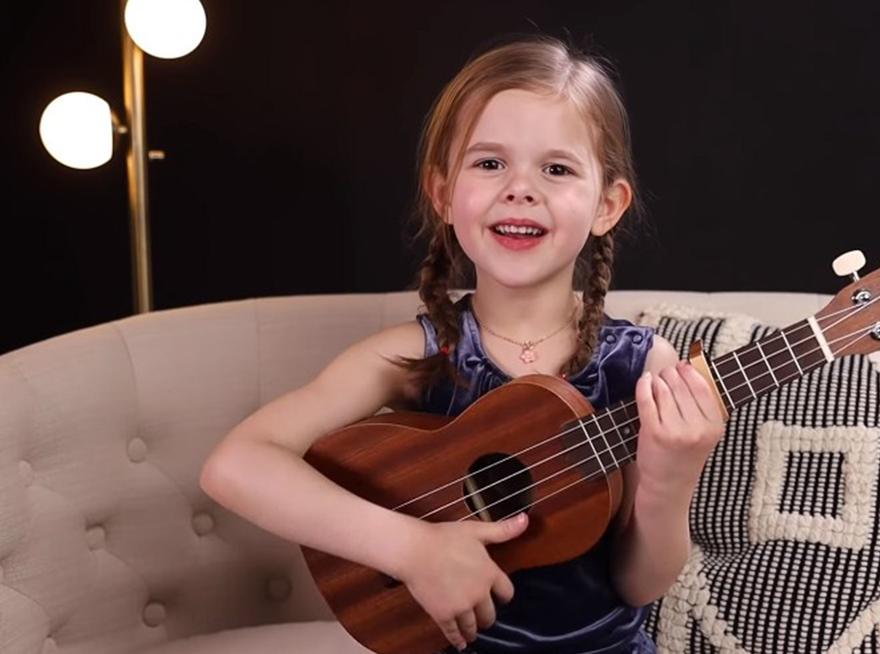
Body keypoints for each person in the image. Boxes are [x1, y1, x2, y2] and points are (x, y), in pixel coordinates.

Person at [199, 33, 728, 654]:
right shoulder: (413, 356)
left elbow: (638, 586)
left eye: (556, 169)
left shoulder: (640, 366)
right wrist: (413, 548)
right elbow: (233, 465)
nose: (520, 188)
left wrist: (671, 483)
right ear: (444, 193)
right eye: (489, 163)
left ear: (607, 204)